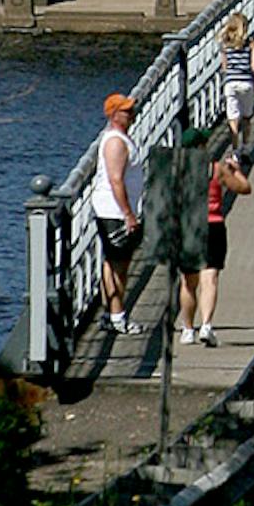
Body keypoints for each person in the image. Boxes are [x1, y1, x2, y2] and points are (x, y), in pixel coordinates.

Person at [178, 132, 251, 348]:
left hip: (189, 228)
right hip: (213, 225)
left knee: (188, 282)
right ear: (202, 146)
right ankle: (207, 326)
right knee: (209, 279)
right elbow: (244, 188)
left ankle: (187, 329)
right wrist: (236, 171)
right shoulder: (215, 169)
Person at [91, 92, 143, 334]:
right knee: (119, 264)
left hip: (114, 210)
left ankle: (111, 314)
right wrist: (128, 214)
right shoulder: (115, 142)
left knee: (112, 263)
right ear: (113, 115)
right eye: (126, 111)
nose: (132, 113)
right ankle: (118, 316)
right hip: (114, 211)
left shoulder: (121, 138)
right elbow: (115, 179)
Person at [218, 12, 254, 163]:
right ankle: (246, 148)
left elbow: (224, 68)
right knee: (247, 118)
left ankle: (235, 152)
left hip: (231, 83)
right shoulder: (250, 42)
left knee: (233, 119)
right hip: (246, 82)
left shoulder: (225, 44)